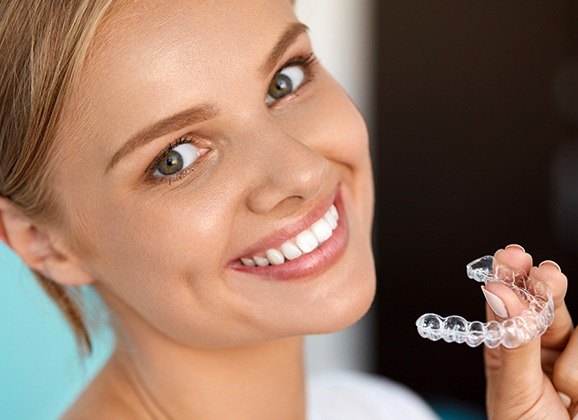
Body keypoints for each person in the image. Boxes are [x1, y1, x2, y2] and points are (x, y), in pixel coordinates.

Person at [0, 1, 576, 418]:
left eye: (285, 80)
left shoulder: (372, 409)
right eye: (175, 158)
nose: (302, 170)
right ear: (41, 240)